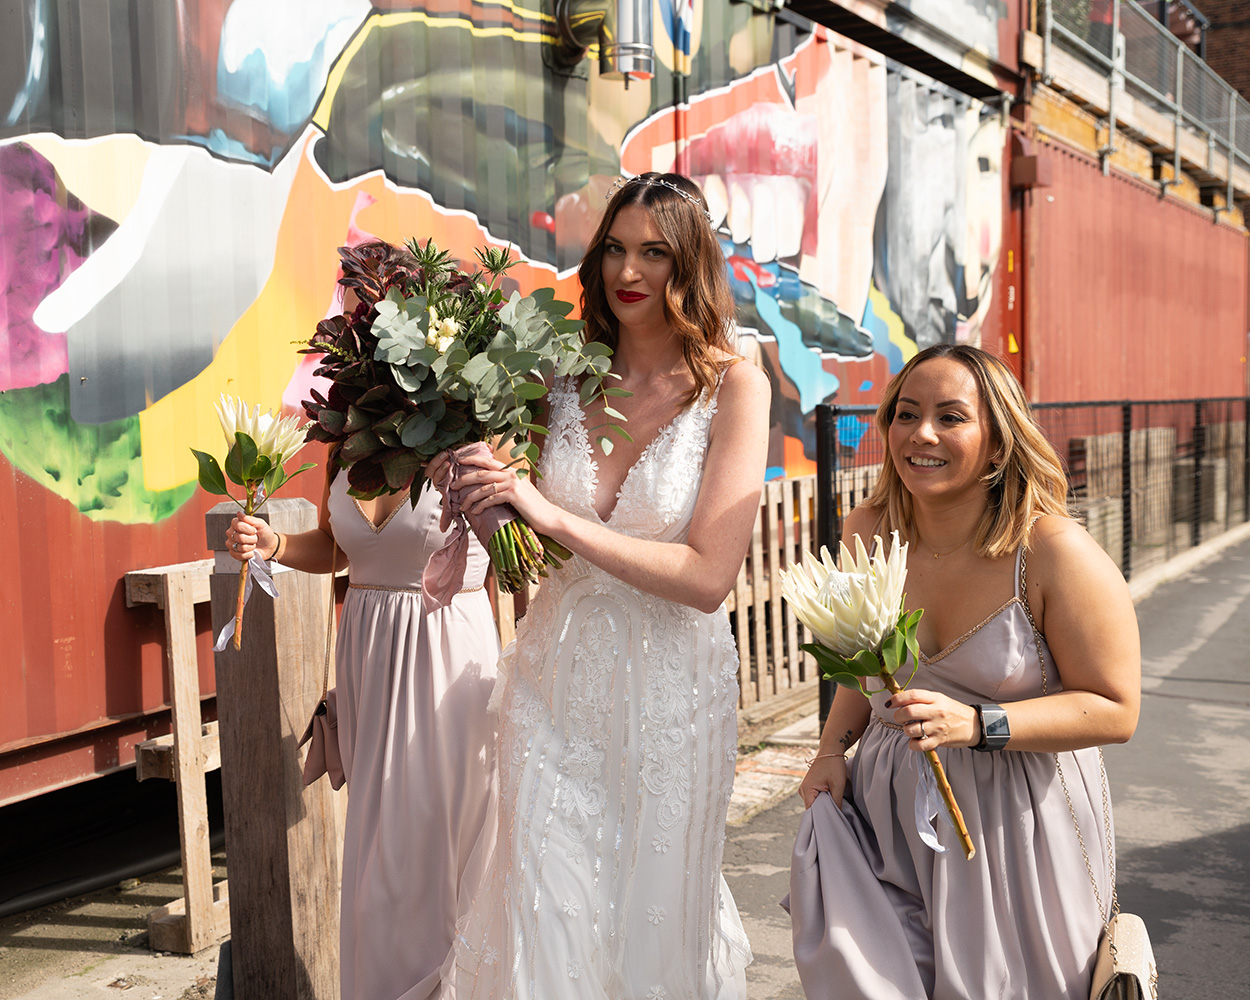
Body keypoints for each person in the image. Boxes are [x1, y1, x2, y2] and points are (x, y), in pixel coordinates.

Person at [438, 172, 771, 999]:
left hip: (671, 698)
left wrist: (553, 518)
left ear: (688, 264)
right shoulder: (557, 380)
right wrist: (480, 499)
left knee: (652, 925)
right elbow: (529, 545)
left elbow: (707, 577)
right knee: (544, 909)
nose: (630, 270)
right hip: (553, 684)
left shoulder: (736, 387)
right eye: (616, 249)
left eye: (655, 252)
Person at [788, 343, 1142, 999]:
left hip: (1018, 824)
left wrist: (980, 724)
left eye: (951, 417)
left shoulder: (1052, 551)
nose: (920, 434)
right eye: (906, 414)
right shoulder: (868, 529)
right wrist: (832, 749)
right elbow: (858, 661)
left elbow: (1115, 709)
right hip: (888, 812)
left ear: (999, 443)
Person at [225, 242, 500, 1000]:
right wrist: (273, 543)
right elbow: (339, 550)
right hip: (371, 657)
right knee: (381, 850)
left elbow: (519, 540)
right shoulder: (346, 436)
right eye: (352, 312)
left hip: (451, 653)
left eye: (373, 311)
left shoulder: (470, 424)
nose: (360, 325)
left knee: (444, 842)